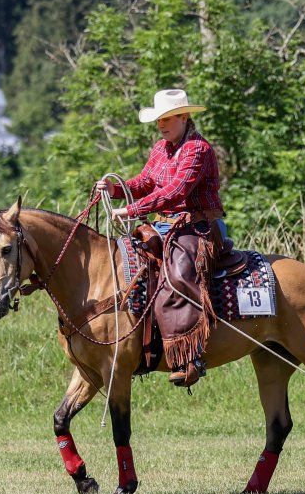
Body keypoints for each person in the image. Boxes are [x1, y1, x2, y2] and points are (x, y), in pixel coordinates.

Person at [97, 88, 227, 388]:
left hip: (198, 229)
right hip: (165, 228)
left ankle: (190, 354)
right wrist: (115, 190)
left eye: (167, 118)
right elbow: (144, 182)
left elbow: (176, 192)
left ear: (184, 117)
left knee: (180, 274)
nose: (162, 125)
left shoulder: (198, 149)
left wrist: (130, 209)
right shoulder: (160, 148)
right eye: (159, 120)